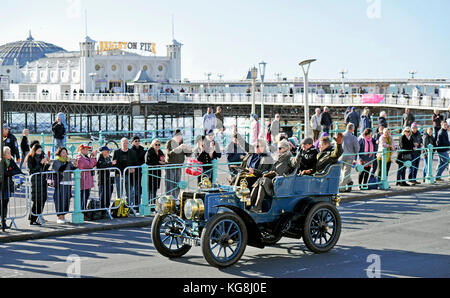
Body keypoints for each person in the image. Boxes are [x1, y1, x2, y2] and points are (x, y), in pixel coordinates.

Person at [249, 140, 298, 213]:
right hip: (273, 179)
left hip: (281, 182)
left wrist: (299, 155)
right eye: (277, 148)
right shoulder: (278, 157)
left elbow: (295, 163)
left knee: (263, 180)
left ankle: (256, 206)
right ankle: (250, 204)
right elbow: (271, 170)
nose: (278, 150)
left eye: (280, 148)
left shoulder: (289, 157)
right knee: (260, 180)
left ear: (286, 148)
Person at [52, 147, 77, 224]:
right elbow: (60, 169)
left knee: (66, 200)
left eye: (65, 152)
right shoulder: (56, 161)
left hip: (68, 183)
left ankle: (63, 216)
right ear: (59, 153)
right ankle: (59, 217)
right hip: (60, 183)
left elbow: (72, 169)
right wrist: (67, 163)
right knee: (60, 200)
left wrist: (75, 165)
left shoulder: (68, 161)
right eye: (63, 152)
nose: (65, 154)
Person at [27, 144, 51, 225]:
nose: (40, 153)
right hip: (35, 181)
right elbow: (32, 170)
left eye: (41, 151)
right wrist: (40, 163)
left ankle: (35, 217)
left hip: (42, 180)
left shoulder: (41, 157)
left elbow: (44, 170)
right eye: (38, 151)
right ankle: (33, 219)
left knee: (43, 199)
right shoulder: (30, 158)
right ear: (34, 150)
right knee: (37, 200)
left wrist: (47, 163)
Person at [1, 147, 24, 229]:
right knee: (1, 204)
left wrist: (21, 175)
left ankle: (3, 223)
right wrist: (11, 172)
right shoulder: (1, 162)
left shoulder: (10, 161)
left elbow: (18, 170)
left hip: (7, 186)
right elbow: (4, 173)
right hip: (1, 186)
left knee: (5, 204)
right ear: (3, 155)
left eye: (10, 152)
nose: (10, 154)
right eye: (8, 153)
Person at [165, 130, 191, 199]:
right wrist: (178, 148)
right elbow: (169, 154)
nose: (180, 138)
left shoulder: (182, 143)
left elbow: (188, 155)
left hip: (179, 166)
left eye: (181, 136)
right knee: (170, 184)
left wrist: (189, 149)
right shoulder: (170, 142)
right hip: (170, 166)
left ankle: (175, 198)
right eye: (179, 136)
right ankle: (168, 199)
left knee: (177, 184)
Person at [113, 138, 138, 202]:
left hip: (129, 175)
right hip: (119, 175)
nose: (125, 144)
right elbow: (114, 163)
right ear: (121, 144)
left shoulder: (133, 152)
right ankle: (119, 207)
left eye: (127, 143)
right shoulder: (116, 152)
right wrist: (115, 173)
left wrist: (133, 169)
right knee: (119, 193)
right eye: (124, 143)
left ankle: (129, 207)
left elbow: (135, 163)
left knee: (129, 193)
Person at [76, 144, 98, 212]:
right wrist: (93, 158)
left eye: (87, 149)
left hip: (87, 181)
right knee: (83, 197)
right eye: (85, 149)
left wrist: (93, 158)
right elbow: (90, 165)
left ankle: (83, 211)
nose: (87, 150)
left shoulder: (86, 157)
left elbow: (93, 164)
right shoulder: (80, 158)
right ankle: (81, 212)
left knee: (85, 197)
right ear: (81, 150)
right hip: (83, 181)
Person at [340, 123, 360, 192]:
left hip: (341, 156)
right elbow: (357, 149)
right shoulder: (353, 137)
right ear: (353, 129)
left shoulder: (341, 135)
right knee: (346, 172)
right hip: (349, 156)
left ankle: (349, 182)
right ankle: (342, 187)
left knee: (343, 172)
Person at [96, 146, 116, 216]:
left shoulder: (108, 158)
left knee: (108, 196)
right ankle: (101, 211)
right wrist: (111, 163)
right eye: (107, 151)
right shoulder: (100, 158)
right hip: (102, 180)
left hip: (109, 180)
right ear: (103, 152)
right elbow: (101, 165)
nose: (108, 152)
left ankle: (106, 210)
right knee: (102, 197)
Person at [130, 136, 146, 210]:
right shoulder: (130, 151)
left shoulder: (143, 150)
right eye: (135, 141)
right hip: (132, 173)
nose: (137, 142)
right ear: (132, 142)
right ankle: (132, 206)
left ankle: (137, 205)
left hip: (141, 173)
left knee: (139, 189)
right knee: (132, 190)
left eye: (138, 141)